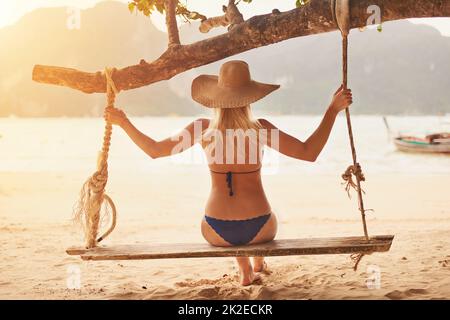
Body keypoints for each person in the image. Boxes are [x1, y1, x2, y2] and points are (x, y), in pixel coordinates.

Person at [105, 60, 353, 286]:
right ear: (249, 98)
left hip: (216, 230)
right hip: (261, 227)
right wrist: (332, 110)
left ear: (215, 98)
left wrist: (124, 122)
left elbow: (155, 150)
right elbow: (308, 152)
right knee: (267, 215)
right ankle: (257, 262)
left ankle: (245, 269)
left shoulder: (202, 129)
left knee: (228, 223)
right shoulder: (260, 130)